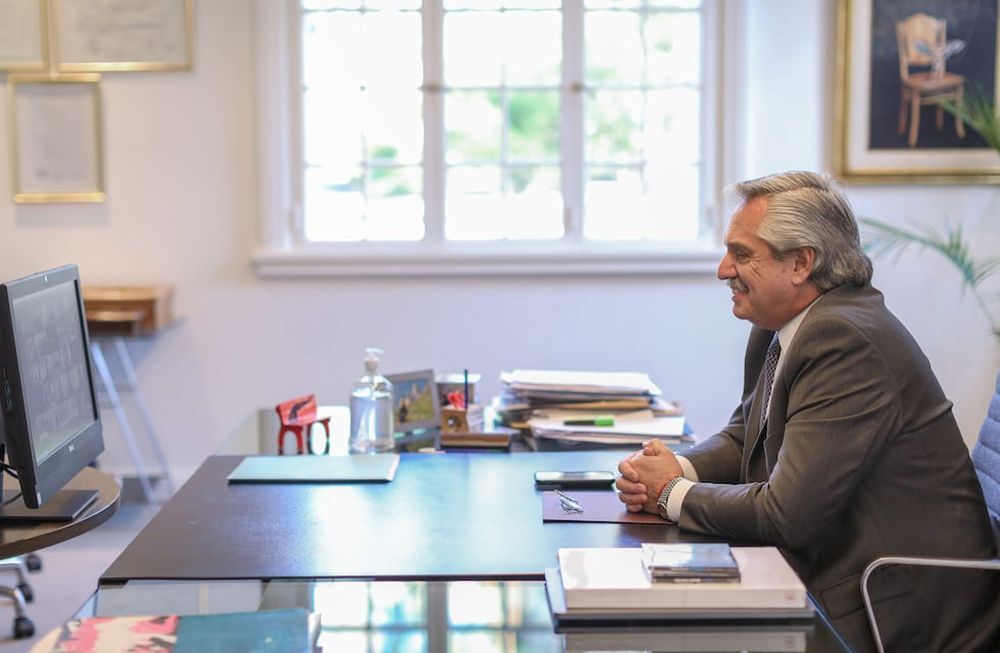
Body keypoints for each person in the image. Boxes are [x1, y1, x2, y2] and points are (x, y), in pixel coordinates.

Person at [616, 171, 999, 652]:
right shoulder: (783, 324)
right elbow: (744, 437)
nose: (722, 270)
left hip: (891, 601)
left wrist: (671, 492)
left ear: (800, 263)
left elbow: (786, 515)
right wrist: (676, 467)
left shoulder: (845, 340)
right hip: (831, 567)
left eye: (742, 254)